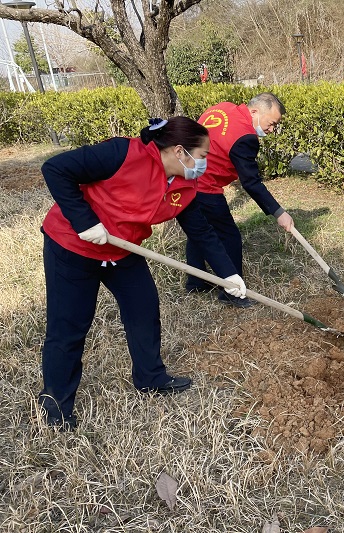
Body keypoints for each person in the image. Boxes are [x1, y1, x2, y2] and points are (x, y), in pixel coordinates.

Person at [39, 117, 248, 431]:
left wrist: (229, 275)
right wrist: (84, 221)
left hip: (124, 250)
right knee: (68, 328)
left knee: (143, 310)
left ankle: (151, 378)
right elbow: (55, 169)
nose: (203, 163)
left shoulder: (185, 185)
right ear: (180, 151)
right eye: (202, 156)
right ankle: (55, 407)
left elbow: (202, 233)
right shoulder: (122, 154)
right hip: (73, 246)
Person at [185, 93, 294, 307]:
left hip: (186, 178)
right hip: (205, 185)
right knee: (229, 236)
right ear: (254, 112)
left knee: (199, 229)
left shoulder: (223, 107)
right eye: (271, 123)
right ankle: (232, 293)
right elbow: (251, 182)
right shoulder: (245, 137)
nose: (272, 130)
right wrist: (279, 212)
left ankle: (196, 282)